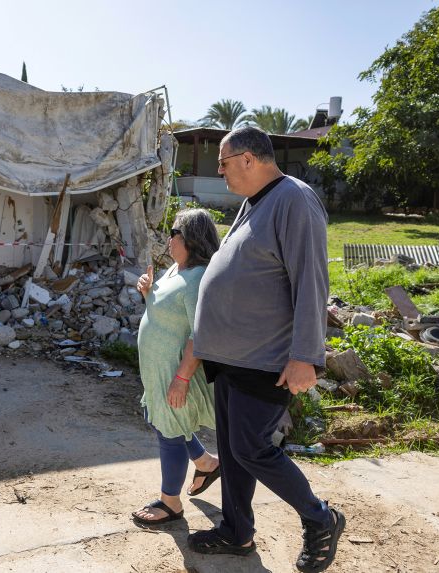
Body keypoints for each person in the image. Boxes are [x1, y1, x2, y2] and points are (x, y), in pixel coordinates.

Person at [188, 126, 345, 573]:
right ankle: (236, 531)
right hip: (232, 358)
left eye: (222, 162)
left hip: (267, 357)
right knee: (235, 449)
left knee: (253, 448)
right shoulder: (251, 204)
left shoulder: (294, 199)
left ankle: (320, 518)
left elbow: (311, 280)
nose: (220, 171)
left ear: (249, 159)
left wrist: (306, 355)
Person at [130, 208, 222, 527]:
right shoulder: (176, 269)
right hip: (157, 370)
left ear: (192, 239)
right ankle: (206, 462)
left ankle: (171, 503)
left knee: (169, 431)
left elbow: (201, 333)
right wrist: (147, 291)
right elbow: (165, 312)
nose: (169, 239)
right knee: (162, 421)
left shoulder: (197, 277)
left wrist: (182, 378)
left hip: (175, 371)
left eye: (174, 233)